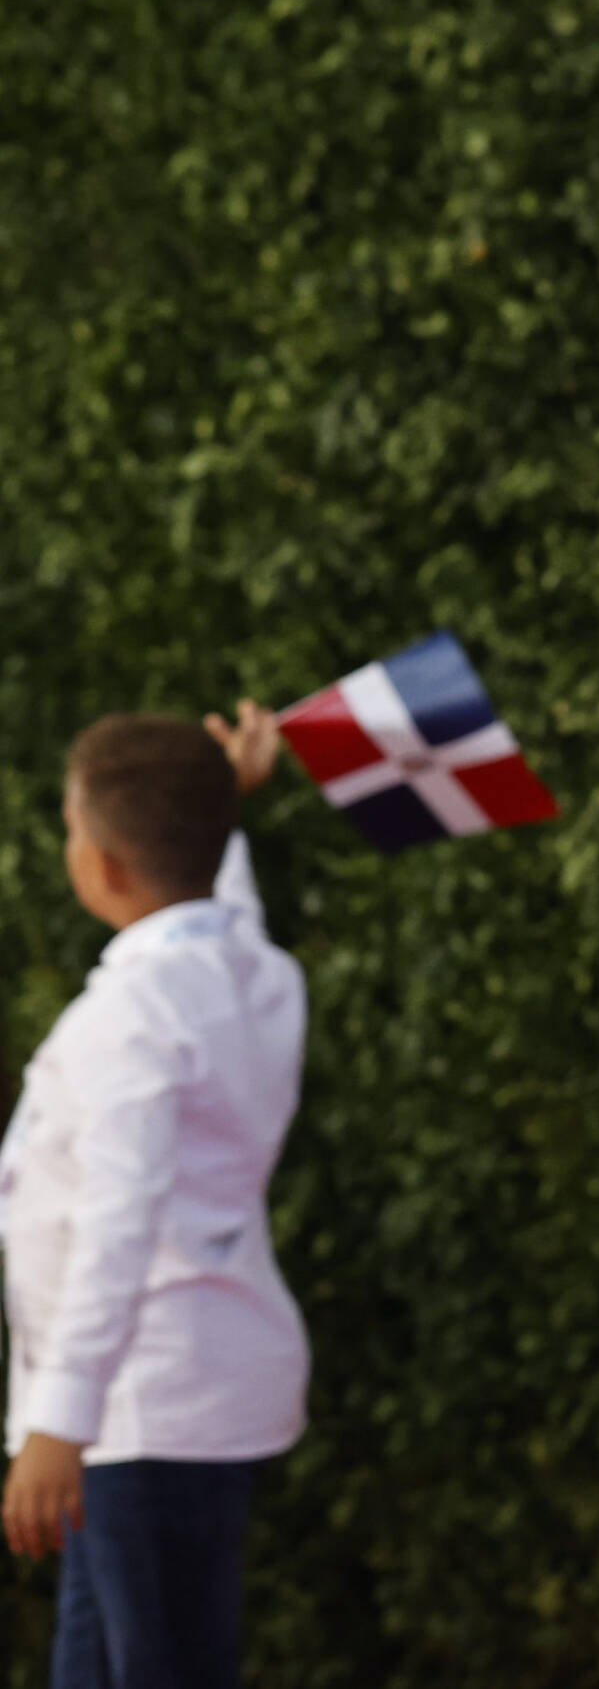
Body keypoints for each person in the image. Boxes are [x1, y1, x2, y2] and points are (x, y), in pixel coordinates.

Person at [1, 704, 308, 1689]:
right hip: (180, 1395)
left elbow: (115, 1226)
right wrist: (223, 808)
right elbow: (219, 910)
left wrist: (61, 1418)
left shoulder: (129, 1014)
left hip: (139, 1406)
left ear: (105, 866)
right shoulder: (253, 971)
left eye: (70, 829)